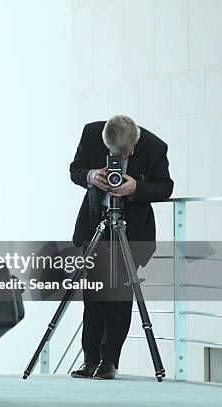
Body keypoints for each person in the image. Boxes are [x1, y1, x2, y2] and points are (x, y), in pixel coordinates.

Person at [69, 115, 173, 380]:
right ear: (106, 146)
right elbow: (75, 170)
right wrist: (92, 176)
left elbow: (165, 187)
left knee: (119, 299)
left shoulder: (154, 146)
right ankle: (89, 360)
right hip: (96, 226)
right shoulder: (91, 134)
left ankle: (109, 362)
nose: (126, 155)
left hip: (133, 230)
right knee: (93, 296)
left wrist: (136, 187)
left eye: (128, 153)